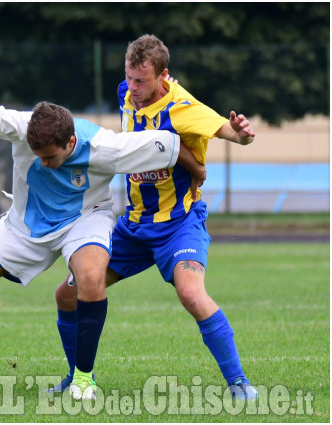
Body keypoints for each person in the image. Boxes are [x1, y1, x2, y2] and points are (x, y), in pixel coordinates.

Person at [0, 80, 205, 401]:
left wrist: (199, 169)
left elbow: (169, 142)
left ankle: (84, 379)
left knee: (91, 279)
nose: (43, 162)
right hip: (23, 225)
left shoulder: (107, 146)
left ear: (70, 141)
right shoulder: (20, 126)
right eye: (37, 155)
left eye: (50, 156)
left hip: (84, 220)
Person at [47, 34, 258, 400]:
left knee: (192, 295)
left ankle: (239, 383)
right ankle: (78, 377)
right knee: (67, 295)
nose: (133, 87)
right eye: (129, 77)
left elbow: (228, 131)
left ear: (164, 76)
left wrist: (240, 135)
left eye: (142, 80)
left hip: (179, 225)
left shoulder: (183, 106)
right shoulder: (125, 95)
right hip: (131, 227)